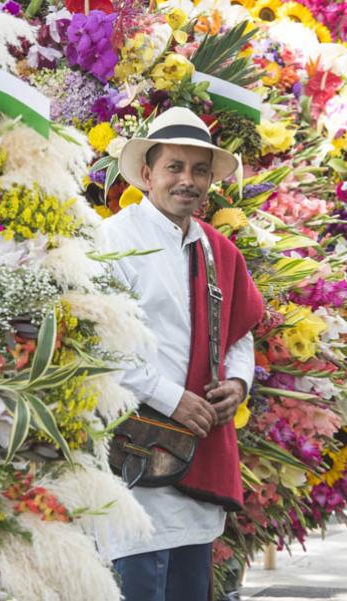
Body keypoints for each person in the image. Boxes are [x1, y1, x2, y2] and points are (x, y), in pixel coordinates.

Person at [98, 107, 265, 601]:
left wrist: (238, 383)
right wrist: (171, 398)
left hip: (197, 451)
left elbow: (240, 332)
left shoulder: (218, 250)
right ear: (147, 173)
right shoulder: (112, 241)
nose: (186, 181)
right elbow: (99, 344)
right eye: (174, 167)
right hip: (132, 450)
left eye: (198, 170)